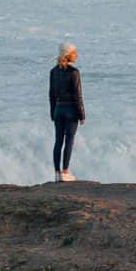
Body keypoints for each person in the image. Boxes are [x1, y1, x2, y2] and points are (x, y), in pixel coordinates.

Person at [49, 42, 86, 182]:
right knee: (69, 141)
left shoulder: (53, 71)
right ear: (69, 55)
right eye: (75, 52)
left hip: (58, 110)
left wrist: (53, 112)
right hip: (71, 111)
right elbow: (78, 96)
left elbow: (51, 95)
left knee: (58, 141)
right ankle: (65, 172)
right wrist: (82, 115)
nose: (77, 55)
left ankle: (57, 173)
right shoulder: (74, 72)